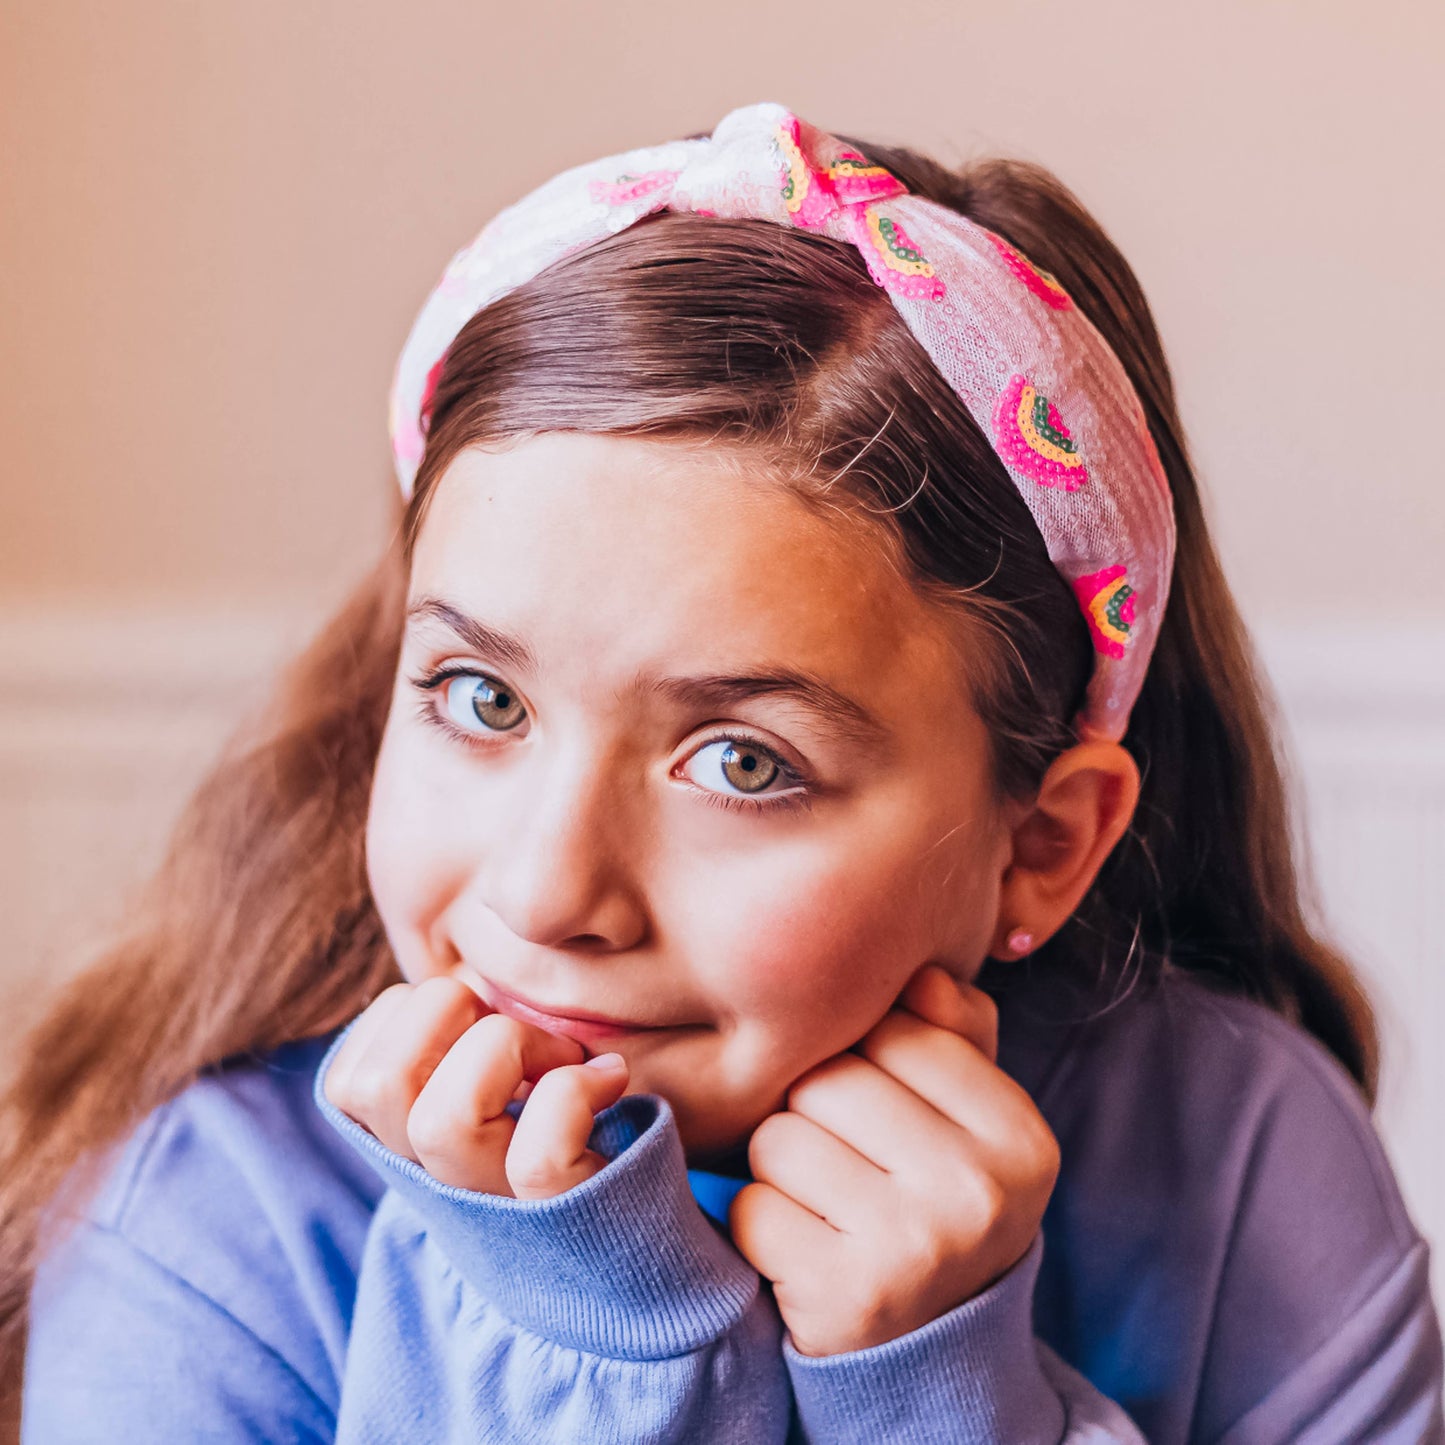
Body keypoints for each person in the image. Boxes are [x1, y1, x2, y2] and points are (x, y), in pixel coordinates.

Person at [5, 100, 1441, 1443]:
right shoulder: (199, 1230)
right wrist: (584, 1340)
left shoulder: (1242, 1161)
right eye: (480, 695)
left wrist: (940, 1394)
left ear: (1043, 844)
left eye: (742, 759)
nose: (546, 888)